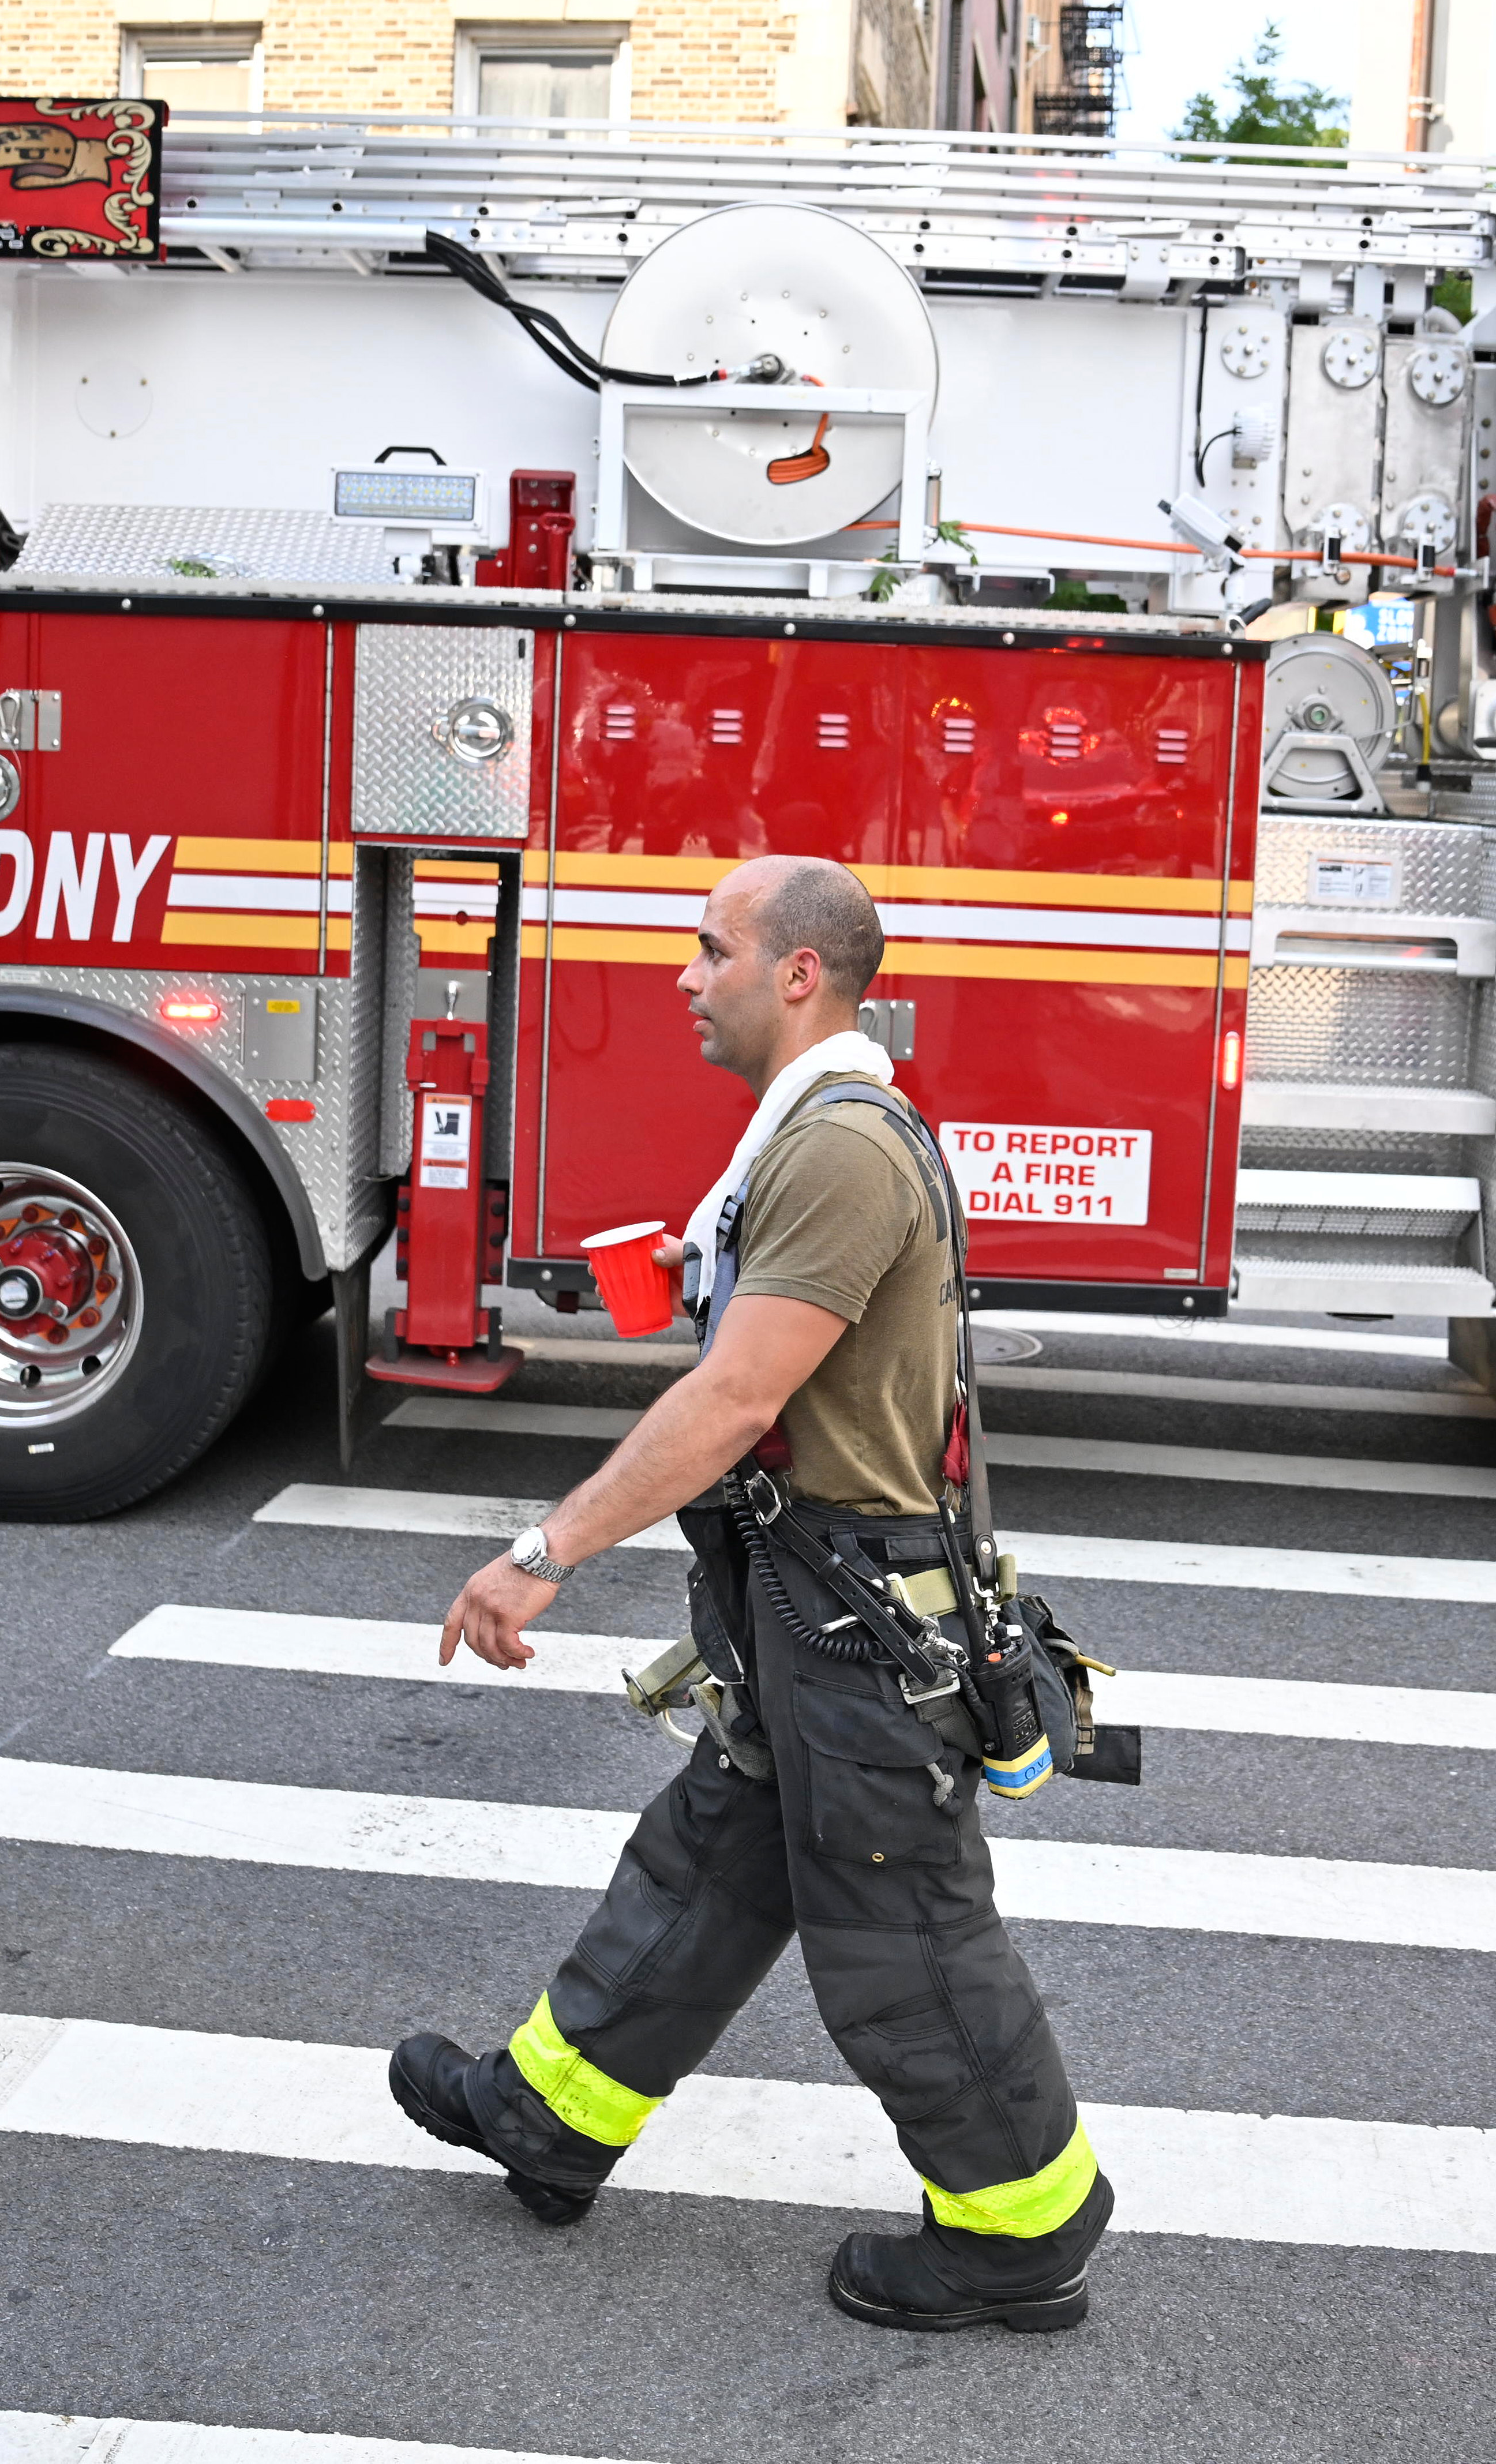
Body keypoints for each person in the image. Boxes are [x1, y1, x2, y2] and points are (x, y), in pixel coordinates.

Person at [387, 852, 1113, 2332]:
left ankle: (1020, 2235)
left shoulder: (838, 1149)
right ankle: (547, 2117)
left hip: (849, 1617)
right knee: (714, 1864)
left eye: (706, 950)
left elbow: (732, 1406)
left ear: (796, 975)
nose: (681, 977)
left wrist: (541, 1558)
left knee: (894, 1931)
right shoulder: (804, 1137)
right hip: (800, 1604)